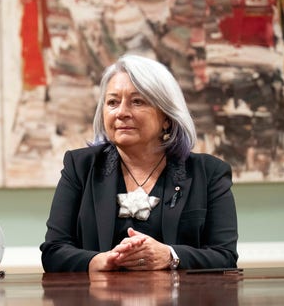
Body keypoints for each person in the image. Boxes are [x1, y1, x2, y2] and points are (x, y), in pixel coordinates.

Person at [40, 55, 238, 272]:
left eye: (137, 101)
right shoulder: (80, 167)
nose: (122, 113)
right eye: (113, 102)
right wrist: (102, 261)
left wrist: (170, 256)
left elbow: (224, 256)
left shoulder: (209, 174)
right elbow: (54, 252)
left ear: (166, 117)